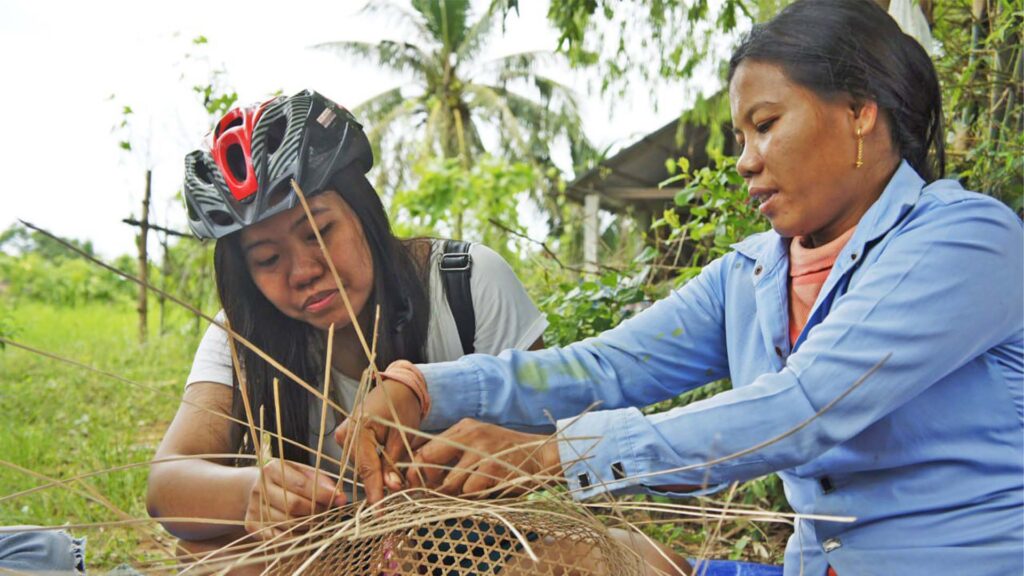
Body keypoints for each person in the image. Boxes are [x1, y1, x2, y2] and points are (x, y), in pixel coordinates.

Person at [339, 1, 1024, 575]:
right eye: (739, 136)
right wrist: (422, 389)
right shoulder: (752, 276)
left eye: (765, 125)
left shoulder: (967, 240)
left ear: (859, 112)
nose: (745, 162)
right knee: (560, 560)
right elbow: (604, 367)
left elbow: (805, 407)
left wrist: (556, 453)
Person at [145, 90, 548, 554]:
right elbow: (168, 483)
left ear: (364, 212)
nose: (304, 272)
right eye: (268, 258)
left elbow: (548, 434)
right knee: (208, 554)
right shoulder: (242, 336)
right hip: (333, 555)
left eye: (319, 231)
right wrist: (251, 491)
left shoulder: (467, 284)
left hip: (481, 551)